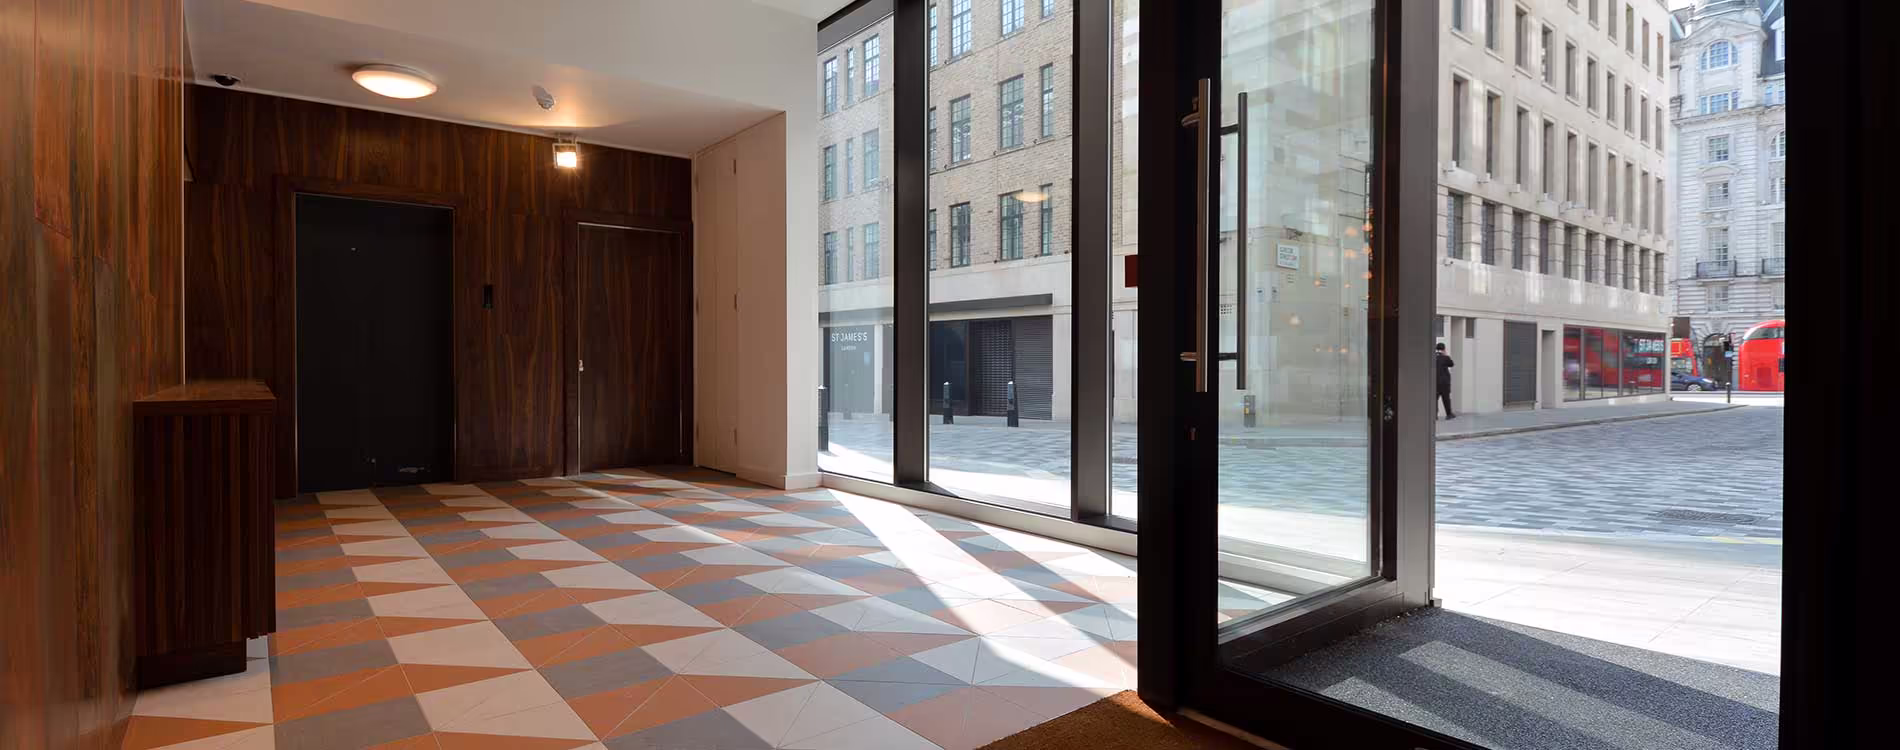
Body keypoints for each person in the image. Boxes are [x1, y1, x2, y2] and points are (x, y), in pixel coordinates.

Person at [1435, 343, 1456, 419]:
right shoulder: (1445, 357)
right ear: (1444, 349)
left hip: (1435, 382)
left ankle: (1434, 415)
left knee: (1434, 399)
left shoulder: (1433, 357)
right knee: (1446, 399)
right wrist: (1445, 354)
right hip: (1444, 383)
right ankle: (1449, 414)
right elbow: (1451, 364)